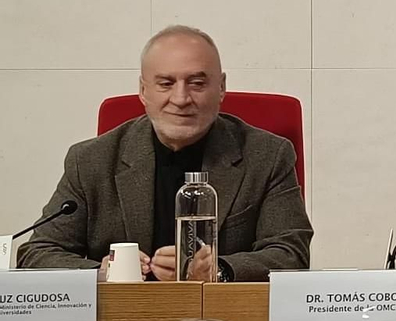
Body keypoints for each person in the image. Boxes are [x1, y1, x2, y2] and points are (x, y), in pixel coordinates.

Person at [18, 26, 312, 282]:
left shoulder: (268, 155)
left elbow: (291, 253)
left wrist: (218, 270)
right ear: (143, 90)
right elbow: (37, 254)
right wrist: (102, 272)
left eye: (197, 83)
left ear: (221, 88)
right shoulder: (90, 160)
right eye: (166, 83)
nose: (181, 99)